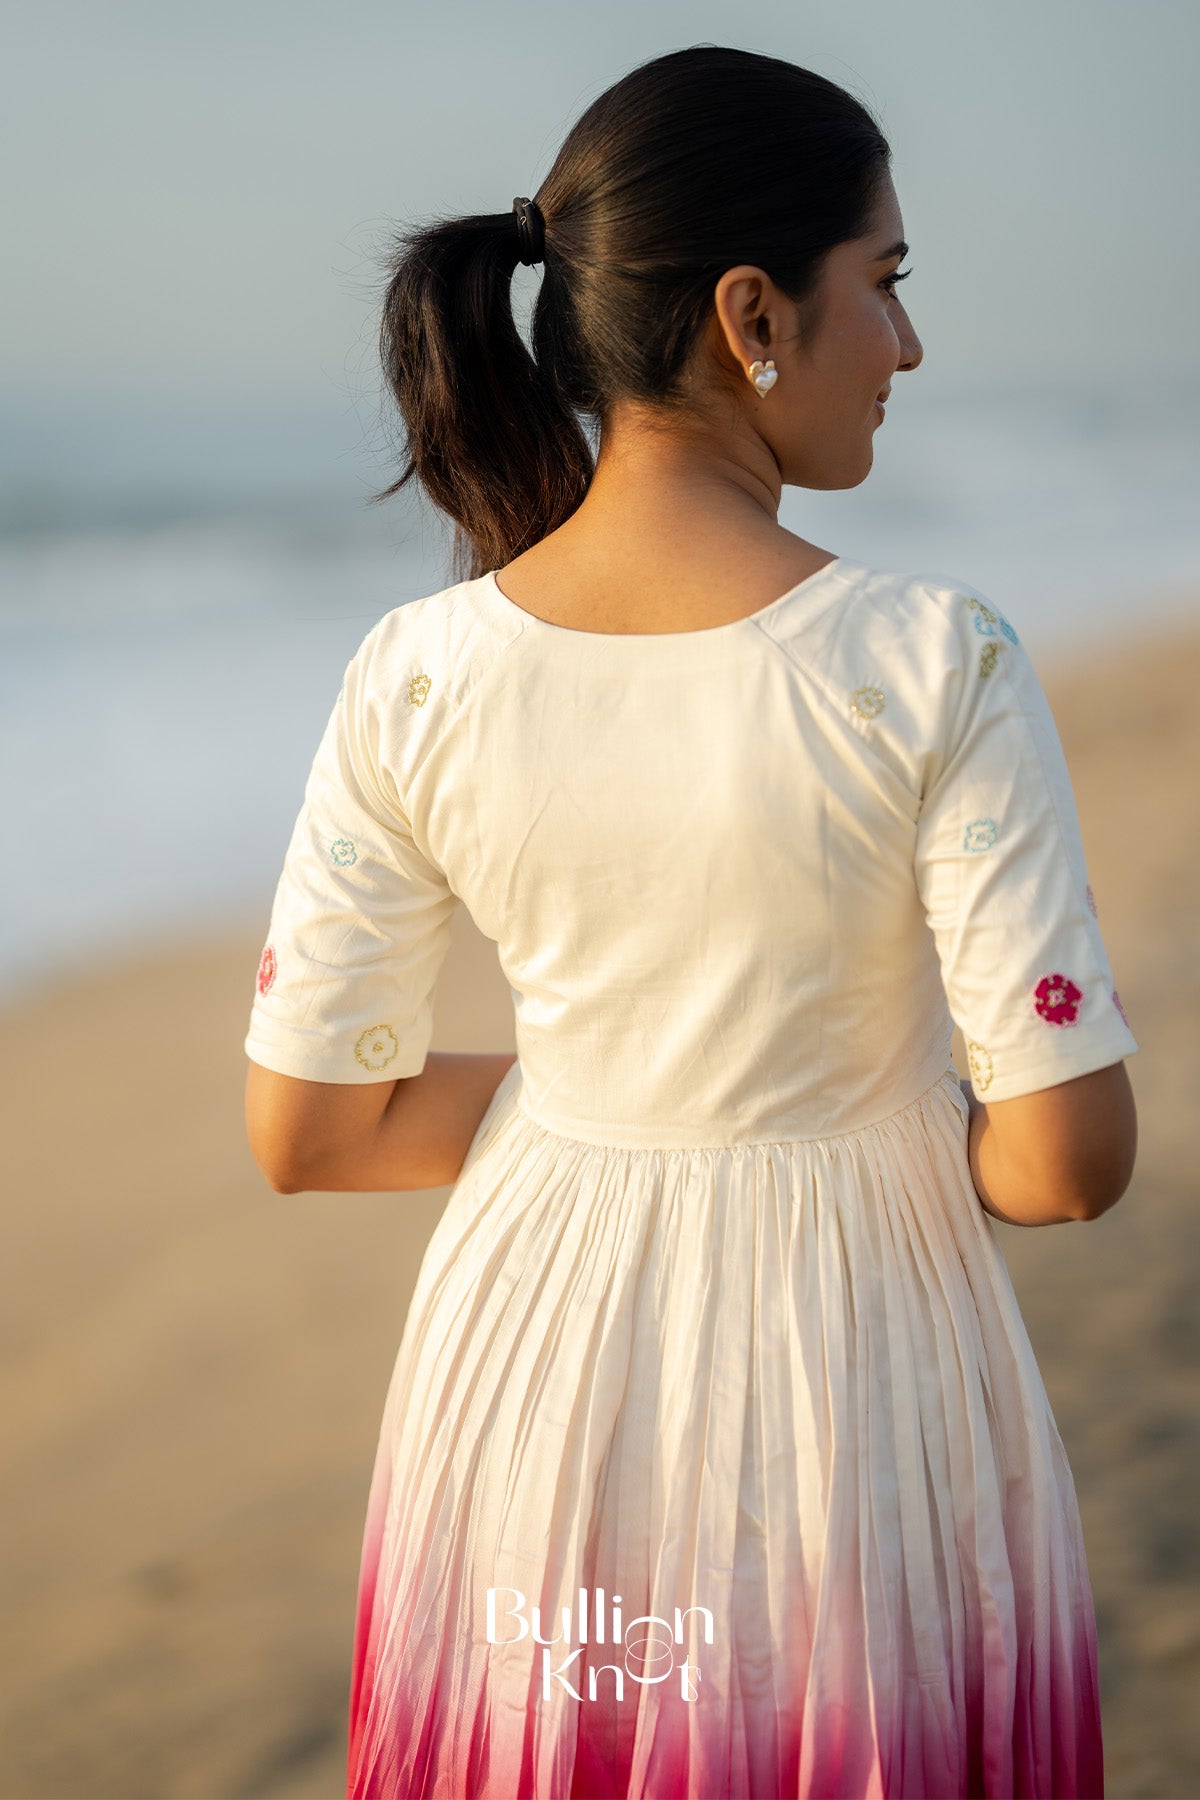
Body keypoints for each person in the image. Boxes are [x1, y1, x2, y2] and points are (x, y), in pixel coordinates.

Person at [243, 43, 1139, 1800]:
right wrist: (833, 1091)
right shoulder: (928, 659)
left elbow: (310, 1128)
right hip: (853, 1367)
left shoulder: (414, 677)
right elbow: (1059, 1161)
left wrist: (616, 1079)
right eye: (883, 283)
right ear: (754, 314)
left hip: (524, 1371)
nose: (909, 343)